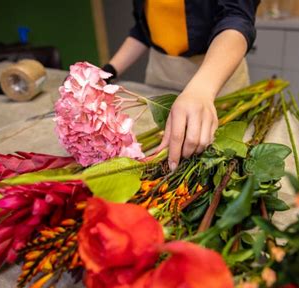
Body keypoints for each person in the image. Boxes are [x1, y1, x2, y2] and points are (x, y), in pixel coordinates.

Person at [102, 0, 260, 170]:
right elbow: (142, 30)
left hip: (216, 75)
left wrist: (201, 89)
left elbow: (236, 18)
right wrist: (107, 72)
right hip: (162, 74)